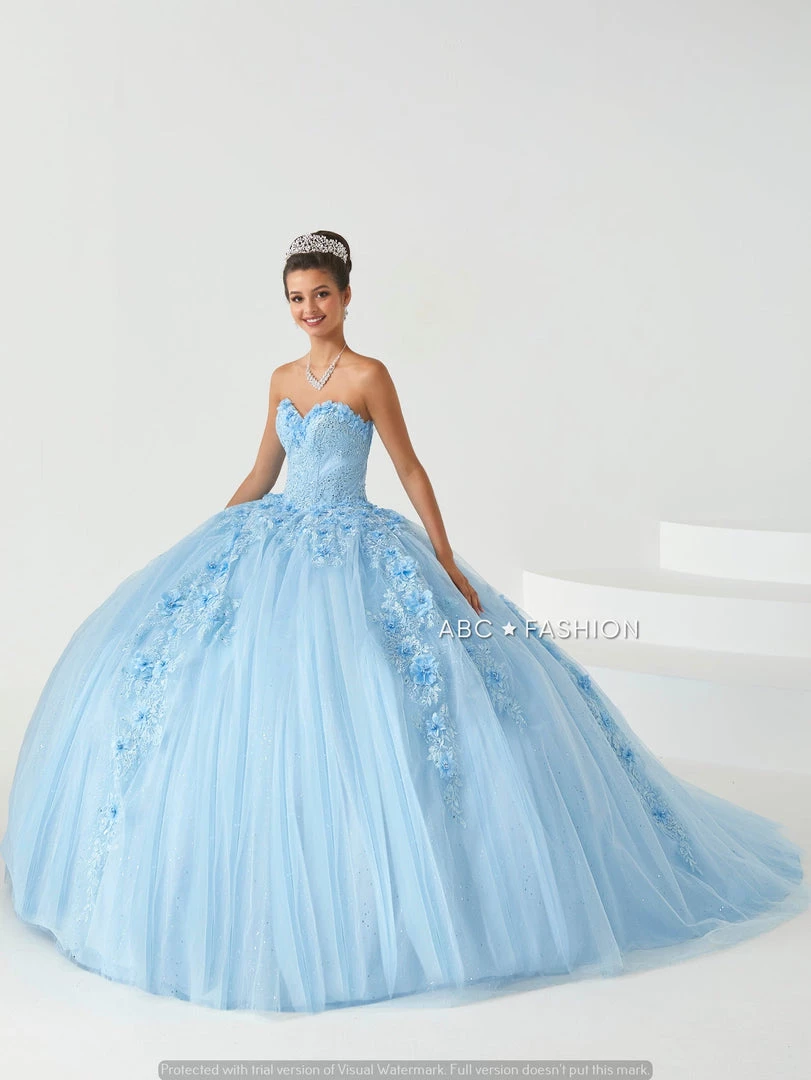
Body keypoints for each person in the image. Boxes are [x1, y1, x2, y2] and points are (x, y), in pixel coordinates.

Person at [2, 230, 807, 1014]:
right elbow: (262, 471)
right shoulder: (280, 379)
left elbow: (409, 467)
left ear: (347, 296)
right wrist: (211, 533)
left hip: (355, 542)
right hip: (276, 539)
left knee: (385, 689)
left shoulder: (369, 376)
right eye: (296, 298)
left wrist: (446, 558)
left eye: (321, 294)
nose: (309, 308)